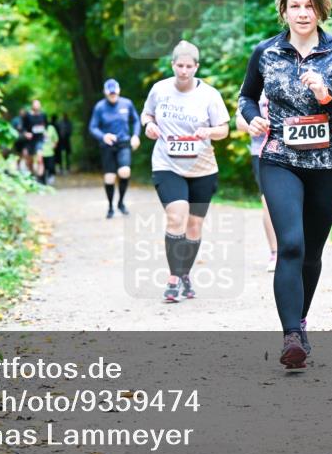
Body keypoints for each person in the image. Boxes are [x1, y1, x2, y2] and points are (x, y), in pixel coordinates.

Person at [238, 0, 332, 369]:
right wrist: (253, 117)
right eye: (295, 6)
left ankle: (301, 321)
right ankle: (291, 334)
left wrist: (328, 97)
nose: (303, 13)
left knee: (311, 253)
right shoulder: (266, 52)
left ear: (320, 9)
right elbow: (245, 96)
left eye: (309, 6)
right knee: (290, 244)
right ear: (284, 11)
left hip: (327, 163)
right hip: (279, 158)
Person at [141, 40, 230, 303]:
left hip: (202, 167)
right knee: (176, 216)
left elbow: (224, 130)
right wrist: (149, 127)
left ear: (197, 67)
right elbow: (147, 116)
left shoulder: (209, 95)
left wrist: (209, 132)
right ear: (172, 65)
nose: (183, 71)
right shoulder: (160, 90)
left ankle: (184, 274)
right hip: (167, 163)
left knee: (194, 225)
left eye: (189, 66)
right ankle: (172, 278)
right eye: (179, 65)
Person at [235, 93, 278, 272]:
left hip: (296, 150)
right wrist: (258, 125)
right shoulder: (253, 83)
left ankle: (297, 250)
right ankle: (275, 253)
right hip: (262, 151)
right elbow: (239, 123)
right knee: (268, 201)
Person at [89, 79, 140, 218]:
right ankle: (111, 207)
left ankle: (121, 203)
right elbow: (92, 127)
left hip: (123, 142)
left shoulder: (127, 103)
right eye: (110, 93)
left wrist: (135, 135)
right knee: (109, 178)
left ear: (118, 90)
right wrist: (103, 136)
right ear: (105, 92)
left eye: (114, 92)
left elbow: (135, 120)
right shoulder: (99, 107)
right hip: (107, 145)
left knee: (124, 172)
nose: (112, 95)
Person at [22, 99, 47, 180]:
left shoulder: (43, 115)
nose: (37, 106)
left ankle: (40, 177)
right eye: (35, 104)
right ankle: (32, 174)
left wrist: (45, 132)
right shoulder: (27, 115)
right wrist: (26, 133)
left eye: (38, 104)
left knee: (40, 158)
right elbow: (23, 127)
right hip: (30, 141)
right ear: (32, 105)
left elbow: (45, 125)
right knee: (30, 161)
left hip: (39, 139)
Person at [40, 119, 59, 185]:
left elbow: (56, 139)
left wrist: (54, 146)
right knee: (42, 168)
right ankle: (42, 181)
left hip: (50, 152)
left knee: (50, 167)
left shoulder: (51, 128)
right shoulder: (38, 128)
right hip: (41, 152)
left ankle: (50, 178)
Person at [11, 108, 28, 172]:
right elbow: (12, 129)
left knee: (25, 153)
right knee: (18, 153)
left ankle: (24, 166)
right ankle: (18, 166)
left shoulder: (26, 120)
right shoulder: (15, 120)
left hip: (25, 140)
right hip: (18, 140)